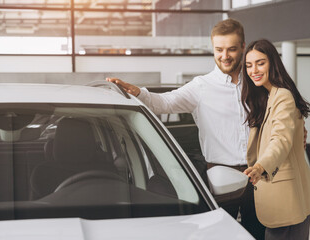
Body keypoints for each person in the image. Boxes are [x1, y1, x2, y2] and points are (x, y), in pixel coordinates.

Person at [107, 18, 266, 239]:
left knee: (258, 235)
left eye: (231, 49)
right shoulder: (201, 86)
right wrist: (138, 93)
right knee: (223, 235)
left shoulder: (259, 83)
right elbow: (165, 102)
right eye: (219, 49)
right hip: (221, 178)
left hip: (259, 177)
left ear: (242, 47)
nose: (225, 55)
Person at [242, 39, 310, 240]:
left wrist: (261, 166)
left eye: (260, 63)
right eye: (249, 65)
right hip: (277, 196)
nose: (254, 70)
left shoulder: (282, 96)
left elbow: (280, 140)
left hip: (288, 196)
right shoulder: (266, 97)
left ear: (273, 63)